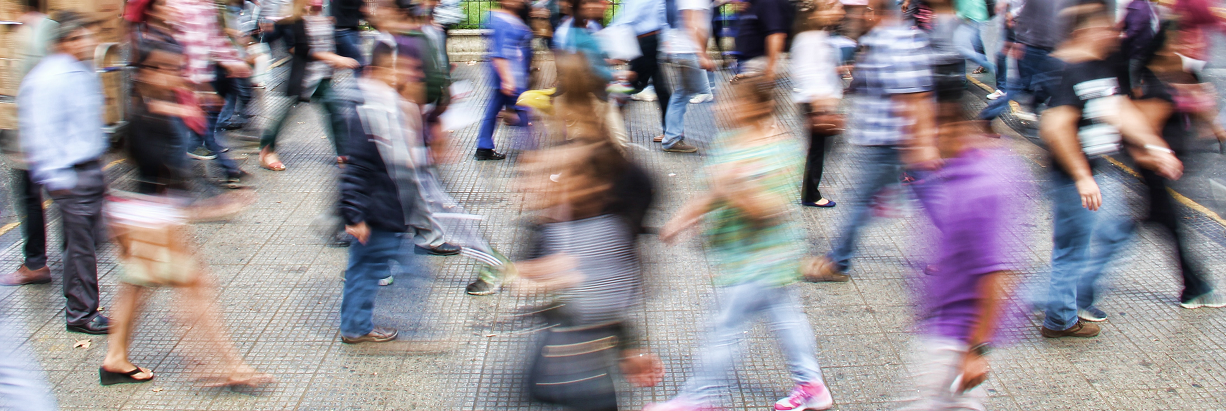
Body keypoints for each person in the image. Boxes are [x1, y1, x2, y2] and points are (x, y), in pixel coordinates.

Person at [646, 75, 832, 411]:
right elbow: (713, 191)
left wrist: (734, 188)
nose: (720, 108)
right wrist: (681, 219)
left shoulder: (778, 149)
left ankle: (701, 397)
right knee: (787, 318)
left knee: (724, 327)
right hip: (748, 255)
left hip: (761, 257)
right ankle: (811, 385)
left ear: (755, 107)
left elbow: (772, 209)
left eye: (731, 102)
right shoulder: (730, 140)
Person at [100, 43, 270, 388]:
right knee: (195, 287)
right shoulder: (147, 117)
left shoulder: (158, 110)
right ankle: (225, 366)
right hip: (151, 222)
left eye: (177, 68)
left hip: (143, 218)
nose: (174, 75)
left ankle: (116, 358)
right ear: (144, 73)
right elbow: (165, 174)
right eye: (163, 68)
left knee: (136, 289)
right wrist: (212, 207)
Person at [1037, 3, 1184, 338]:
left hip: (1095, 170)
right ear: (1086, 32)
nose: (1114, 33)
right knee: (1072, 250)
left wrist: (1156, 148)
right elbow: (1056, 126)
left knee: (1112, 234)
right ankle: (1056, 316)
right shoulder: (1069, 68)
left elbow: (1119, 109)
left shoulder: (1099, 66)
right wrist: (1081, 176)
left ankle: (1063, 305)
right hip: (1075, 176)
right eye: (1105, 28)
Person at [1071, 19, 1225, 315]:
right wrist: (1155, 158)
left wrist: (1212, 124)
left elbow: (1204, 111)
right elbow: (1139, 131)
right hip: (1157, 169)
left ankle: (1194, 287)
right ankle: (1075, 296)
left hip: (1170, 168)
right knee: (1139, 230)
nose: (1189, 44)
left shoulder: (1183, 71)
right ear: (1165, 45)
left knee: (1148, 226)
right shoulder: (1152, 82)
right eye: (1181, 40)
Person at [803, 0, 938, 282]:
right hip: (882, 140)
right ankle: (839, 261)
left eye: (859, 10)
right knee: (925, 196)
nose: (851, 15)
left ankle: (838, 262)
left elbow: (915, 96)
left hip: (891, 142)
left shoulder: (894, 41)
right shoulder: (878, 39)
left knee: (866, 201)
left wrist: (922, 144)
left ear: (875, 12)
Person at [899, 118, 1026, 410]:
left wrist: (976, 350)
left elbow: (1000, 274)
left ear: (949, 128)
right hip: (946, 332)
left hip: (955, 340)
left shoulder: (983, 185)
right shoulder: (955, 176)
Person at [17, 11, 110, 335]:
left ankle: (81, 305)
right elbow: (41, 132)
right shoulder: (48, 78)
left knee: (87, 243)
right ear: (62, 43)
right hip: (71, 175)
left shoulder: (83, 71)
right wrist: (59, 179)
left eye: (87, 35)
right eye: (78, 38)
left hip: (90, 168)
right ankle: (82, 314)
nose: (86, 42)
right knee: (80, 248)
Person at [339, 40, 434, 344]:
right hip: (375, 209)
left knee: (368, 267)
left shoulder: (388, 103)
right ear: (377, 70)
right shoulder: (368, 110)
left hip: (387, 205)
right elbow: (356, 168)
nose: (402, 74)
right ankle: (356, 327)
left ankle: (355, 325)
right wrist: (354, 216)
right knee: (368, 269)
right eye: (396, 68)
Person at [258, 0, 360, 171]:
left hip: (321, 77)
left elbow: (327, 43)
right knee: (285, 114)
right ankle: (266, 150)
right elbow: (301, 49)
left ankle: (343, 152)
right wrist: (333, 58)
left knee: (335, 111)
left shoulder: (324, 18)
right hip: (303, 78)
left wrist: (334, 59)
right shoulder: (296, 20)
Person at [0, 0, 56, 286]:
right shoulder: (54, 28)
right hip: (50, 133)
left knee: (28, 197)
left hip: (31, 135)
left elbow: (25, 89)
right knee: (57, 194)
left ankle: (35, 263)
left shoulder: (26, 34)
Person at [168, 0, 254, 188]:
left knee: (200, 126)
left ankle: (225, 170)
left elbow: (214, 39)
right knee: (183, 129)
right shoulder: (175, 5)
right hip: (177, 79)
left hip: (197, 80)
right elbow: (184, 45)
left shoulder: (205, 6)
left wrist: (233, 61)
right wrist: (196, 84)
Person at [792, 0, 845, 208]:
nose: (837, 12)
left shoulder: (818, 35)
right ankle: (811, 194)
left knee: (820, 149)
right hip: (816, 103)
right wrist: (819, 105)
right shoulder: (809, 38)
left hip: (821, 101)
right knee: (817, 150)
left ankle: (811, 192)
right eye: (830, 8)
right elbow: (806, 72)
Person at [475, 0, 533, 161]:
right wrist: (507, 79)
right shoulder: (501, 20)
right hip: (510, 75)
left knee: (494, 109)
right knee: (522, 108)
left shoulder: (505, 18)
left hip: (510, 74)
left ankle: (484, 146)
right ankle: (528, 149)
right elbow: (499, 52)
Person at [609, 0, 672, 141]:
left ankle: (608, 121)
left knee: (634, 82)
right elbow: (661, 14)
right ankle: (670, 130)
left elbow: (631, 14)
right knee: (655, 85)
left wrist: (612, 31)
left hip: (644, 39)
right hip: (649, 39)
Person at [659, 0, 712, 153]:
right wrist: (702, 54)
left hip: (684, 50)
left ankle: (672, 136)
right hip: (688, 51)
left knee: (682, 94)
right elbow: (692, 23)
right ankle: (671, 138)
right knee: (692, 94)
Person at [733, 0, 795, 82]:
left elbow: (776, 35)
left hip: (762, 64)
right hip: (750, 64)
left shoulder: (769, 3)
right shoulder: (752, 4)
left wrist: (770, 70)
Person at [332, 0, 367, 75]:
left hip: (353, 30)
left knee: (356, 63)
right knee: (358, 62)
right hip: (341, 30)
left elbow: (361, 13)